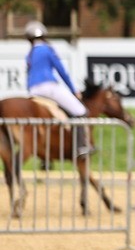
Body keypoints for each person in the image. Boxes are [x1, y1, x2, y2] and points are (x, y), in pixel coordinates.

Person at [24, 21, 90, 156]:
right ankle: (81, 147)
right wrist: (73, 90)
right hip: (48, 86)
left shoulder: (29, 55)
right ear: (44, 36)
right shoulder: (48, 50)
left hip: (33, 90)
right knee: (80, 111)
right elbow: (61, 71)